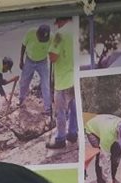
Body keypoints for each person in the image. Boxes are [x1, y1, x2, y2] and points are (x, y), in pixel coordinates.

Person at [46, 17, 78, 149]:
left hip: (63, 80)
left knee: (60, 111)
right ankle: (73, 134)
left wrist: (50, 46)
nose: (57, 26)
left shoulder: (60, 34)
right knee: (73, 108)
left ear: (60, 21)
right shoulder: (76, 30)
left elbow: (53, 57)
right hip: (74, 77)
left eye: (57, 23)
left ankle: (60, 139)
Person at [18, 23, 53, 120]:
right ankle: (21, 100)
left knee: (46, 84)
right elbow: (23, 46)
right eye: (41, 39)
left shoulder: (52, 38)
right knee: (24, 82)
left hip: (43, 62)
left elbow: (54, 50)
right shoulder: (30, 32)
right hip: (29, 60)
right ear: (37, 34)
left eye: (44, 40)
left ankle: (48, 108)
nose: (42, 41)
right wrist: (21, 60)